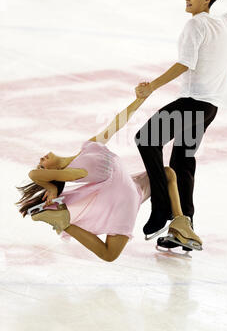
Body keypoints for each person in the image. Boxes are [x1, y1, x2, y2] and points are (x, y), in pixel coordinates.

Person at [134, 0, 227, 251]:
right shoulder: (223, 23)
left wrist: (152, 87)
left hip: (193, 103)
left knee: (146, 139)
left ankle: (161, 209)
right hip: (210, 108)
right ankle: (184, 225)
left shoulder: (196, 24)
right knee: (183, 163)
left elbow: (184, 63)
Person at [16, 96, 201, 263]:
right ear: (54, 172)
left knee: (168, 173)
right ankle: (64, 222)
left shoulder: (88, 147)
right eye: (42, 166)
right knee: (109, 254)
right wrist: (52, 187)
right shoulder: (73, 171)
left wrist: (139, 99)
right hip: (124, 196)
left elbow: (116, 124)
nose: (40, 161)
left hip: (133, 189)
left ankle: (180, 221)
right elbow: (34, 175)